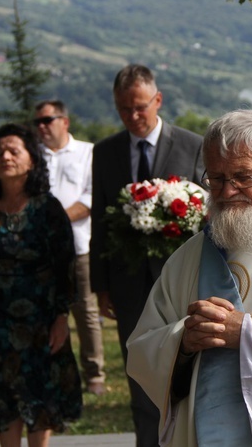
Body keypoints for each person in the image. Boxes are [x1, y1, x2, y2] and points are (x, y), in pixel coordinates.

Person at [126, 110, 252, 447]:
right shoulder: (191, 256)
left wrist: (248, 332)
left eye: (243, 177)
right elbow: (142, 348)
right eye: (216, 178)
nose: (226, 191)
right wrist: (184, 343)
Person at [90, 64, 204, 447]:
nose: (133, 117)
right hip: (128, 284)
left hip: (182, 281)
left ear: (158, 100)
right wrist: (100, 285)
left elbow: (207, 216)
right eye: (124, 110)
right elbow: (100, 221)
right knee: (140, 374)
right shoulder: (105, 153)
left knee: (188, 372)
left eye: (139, 107)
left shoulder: (192, 145)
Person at [0, 123, 81, 447]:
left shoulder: (48, 209)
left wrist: (62, 317)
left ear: (31, 159)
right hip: (0, 325)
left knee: (39, 400)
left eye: (13, 151)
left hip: (41, 324)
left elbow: (66, 267)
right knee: (3, 401)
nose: (5, 157)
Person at [34, 100, 106, 397]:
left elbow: (92, 196)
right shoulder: (33, 155)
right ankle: (46, 370)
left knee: (85, 311)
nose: (41, 126)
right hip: (38, 248)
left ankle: (95, 374)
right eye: (37, 121)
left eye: (47, 120)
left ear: (65, 121)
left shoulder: (87, 152)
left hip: (78, 246)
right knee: (42, 311)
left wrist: (57, 219)